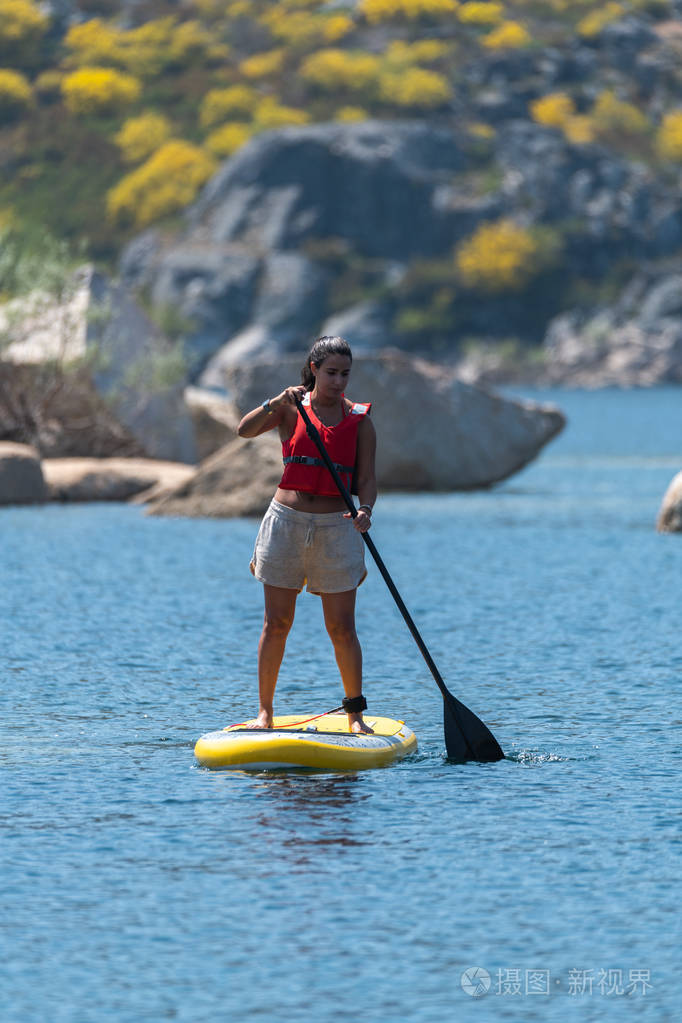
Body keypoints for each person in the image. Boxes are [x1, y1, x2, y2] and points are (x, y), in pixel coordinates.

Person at [237, 336, 377, 734]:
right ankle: (265, 714)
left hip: (338, 528)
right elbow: (243, 430)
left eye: (345, 374)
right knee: (276, 623)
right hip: (285, 522)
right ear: (313, 370)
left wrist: (365, 509)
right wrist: (275, 402)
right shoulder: (290, 409)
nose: (339, 382)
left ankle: (355, 716)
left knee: (342, 628)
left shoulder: (360, 420)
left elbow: (367, 479)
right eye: (331, 373)